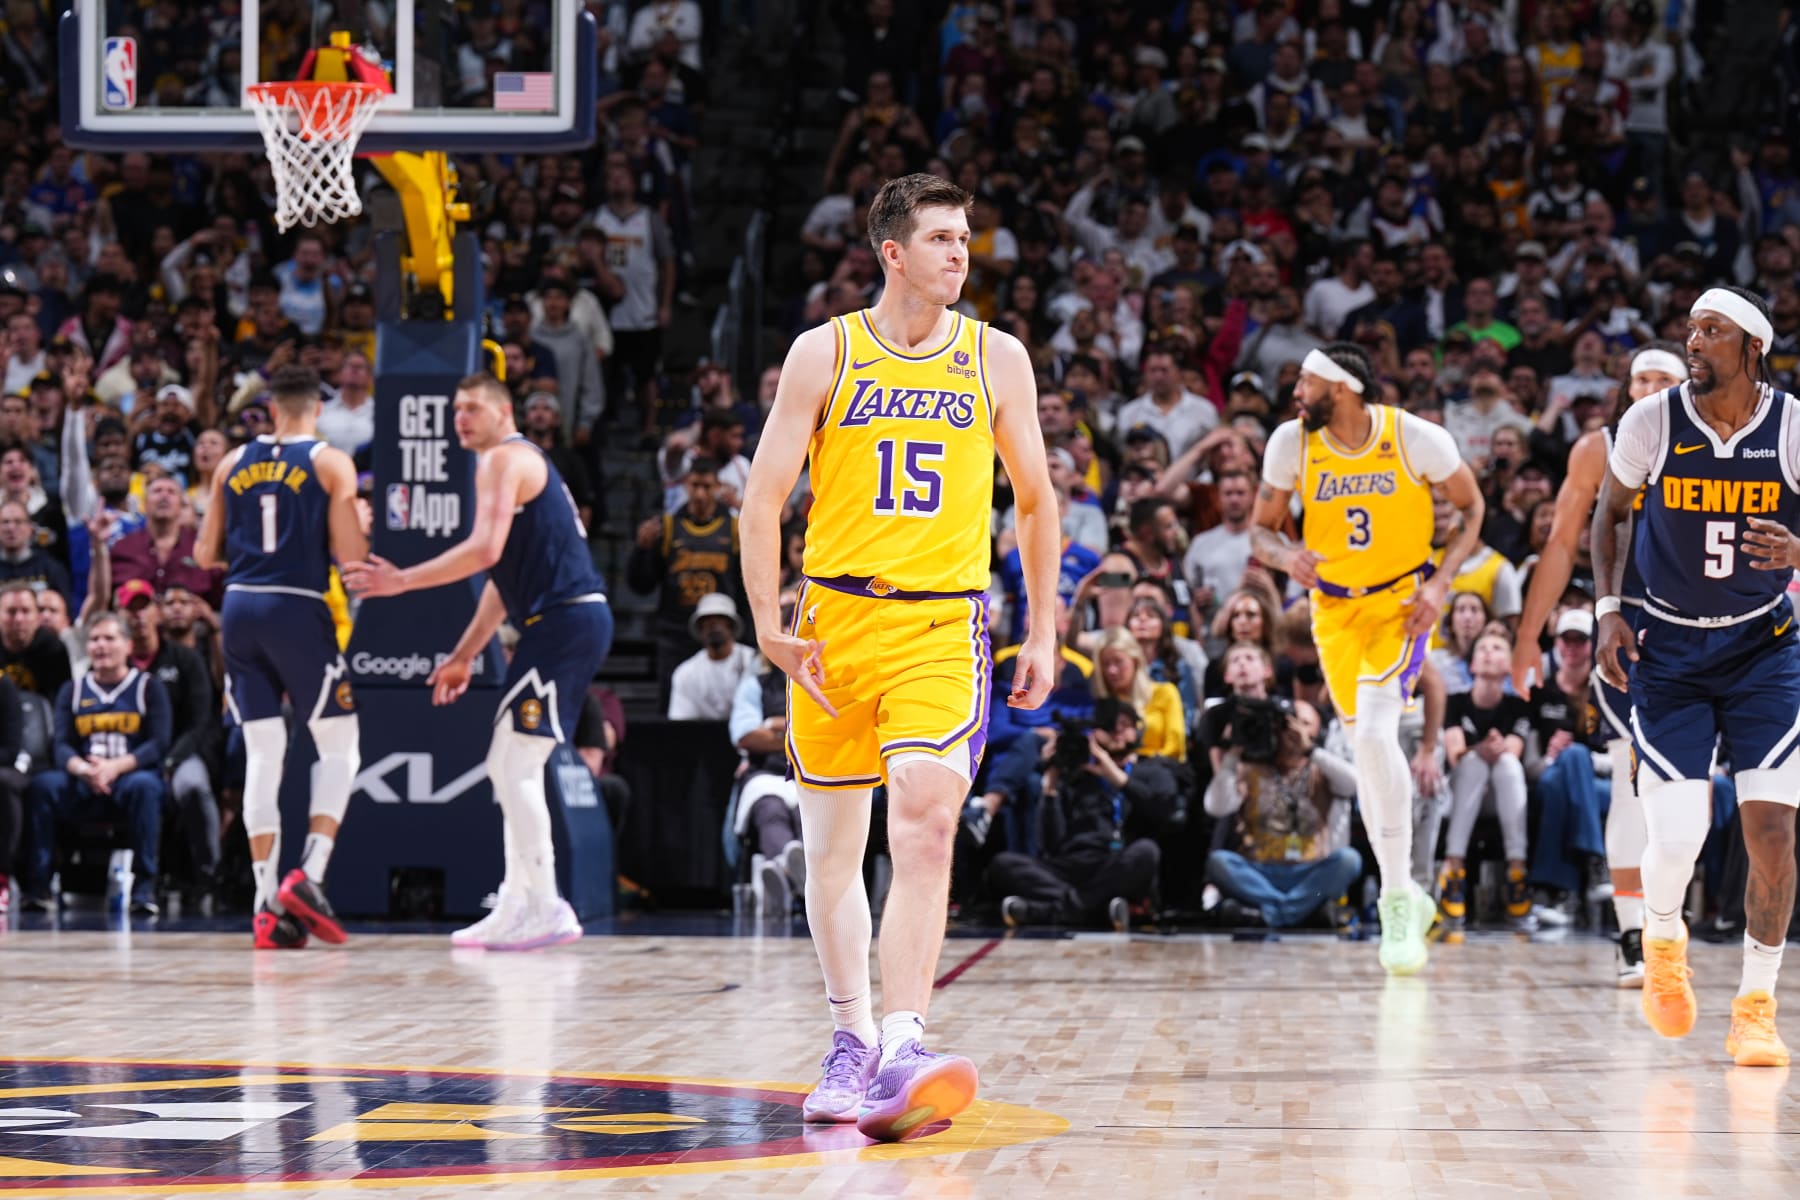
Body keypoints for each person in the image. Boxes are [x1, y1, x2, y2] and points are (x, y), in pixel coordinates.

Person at [738, 175, 1057, 1139]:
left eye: (966, 238)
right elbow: (761, 501)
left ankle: (907, 1039)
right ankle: (851, 1040)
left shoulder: (996, 358)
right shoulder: (823, 351)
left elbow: (1036, 501)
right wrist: (766, 622)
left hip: (940, 626)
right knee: (831, 853)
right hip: (834, 626)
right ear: (893, 253)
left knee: (923, 817)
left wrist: (1042, 628)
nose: (962, 253)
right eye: (944, 238)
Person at [1594, 287, 1800, 1067]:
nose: (1693, 342)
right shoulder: (1653, 419)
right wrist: (1609, 609)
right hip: (1669, 653)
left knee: (1772, 830)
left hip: (1763, 649)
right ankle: (1665, 935)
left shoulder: (1790, 426)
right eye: (1690, 330)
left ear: (1752, 346)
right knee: (1678, 836)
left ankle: (1757, 1004)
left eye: (1711, 331)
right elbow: (1611, 513)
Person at [344, 372, 613, 953]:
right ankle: (517, 899)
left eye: (470, 408)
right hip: (560, 622)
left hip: (564, 621)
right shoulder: (514, 466)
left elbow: (483, 552)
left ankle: (545, 903)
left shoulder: (502, 460)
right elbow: (501, 579)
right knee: (505, 762)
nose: (460, 419)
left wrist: (401, 581)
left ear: (502, 409)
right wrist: (463, 656)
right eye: (455, 411)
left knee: (516, 764)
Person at [1250, 342, 1485, 975]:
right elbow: (1260, 529)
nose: (1296, 391)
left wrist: (1440, 587)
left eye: (1307, 381)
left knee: (1379, 735)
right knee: (1368, 748)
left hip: (1401, 605)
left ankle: (1398, 899)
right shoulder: (1291, 443)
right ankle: (1405, 892)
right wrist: (1283, 557)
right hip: (1333, 613)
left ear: (1344, 388)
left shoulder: (1413, 437)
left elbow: (1472, 509)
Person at [1512, 343, 1688, 986]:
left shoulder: (1714, 442)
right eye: (1639, 378)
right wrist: (1529, 633)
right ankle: (1633, 933)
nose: (1648, 388)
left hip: (1707, 629)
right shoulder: (1599, 447)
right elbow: (1561, 541)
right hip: (1626, 620)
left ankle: (1669, 921)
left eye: (1663, 379)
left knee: (1682, 792)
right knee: (1631, 781)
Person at [193, 366, 364, 950]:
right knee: (340, 742)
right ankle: (309, 877)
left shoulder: (230, 463)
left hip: (239, 608)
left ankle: (266, 905)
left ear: (270, 408)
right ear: (316, 406)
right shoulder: (330, 461)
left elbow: (203, 551)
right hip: (298, 607)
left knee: (265, 752)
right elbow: (351, 555)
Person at [21, 613, 168, 915]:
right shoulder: (72, 690)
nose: (101, 646)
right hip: (83, 779)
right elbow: (60, 744)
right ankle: (38, 887)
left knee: (146, 787)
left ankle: (143, 890)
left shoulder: (147, 686)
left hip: (129, 777)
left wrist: (114, 767)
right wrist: (85, 769)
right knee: (42, 787)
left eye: (109, 638)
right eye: (94, 639)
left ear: (127, 645)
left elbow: (158, 743)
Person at [1438, 631, 1534, 934]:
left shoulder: (1518, 704)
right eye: (1482, 648)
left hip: (1499, 795)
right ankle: (1453, 868)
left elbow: (1514, 751)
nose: (1489, 653)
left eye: (1497, 648)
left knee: (1505, 762)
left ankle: (1517, 870)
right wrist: (1480, 748)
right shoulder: (1454, 702)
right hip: (1460, 792)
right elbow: (1454, 754)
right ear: (1472, 664)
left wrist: (1493, 748)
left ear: (1509, 665)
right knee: (1473, 762)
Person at [667, 592, 758, 720]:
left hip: (751, 736)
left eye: (719, 619)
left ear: (731, 625)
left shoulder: (754, 662)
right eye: (707, 621)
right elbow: (682, 723)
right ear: (700, 628)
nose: (713, 625)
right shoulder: (685, 673)